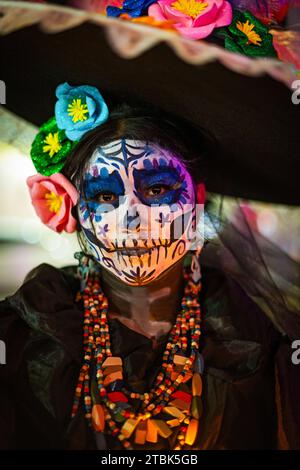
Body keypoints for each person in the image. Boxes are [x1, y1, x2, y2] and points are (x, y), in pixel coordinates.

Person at [0, 83, 299, 450]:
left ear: (198, 200)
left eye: (157, 189)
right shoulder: (28, 333)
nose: (131, 219)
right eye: (105, 196)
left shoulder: (253, 334)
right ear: (75, 209)